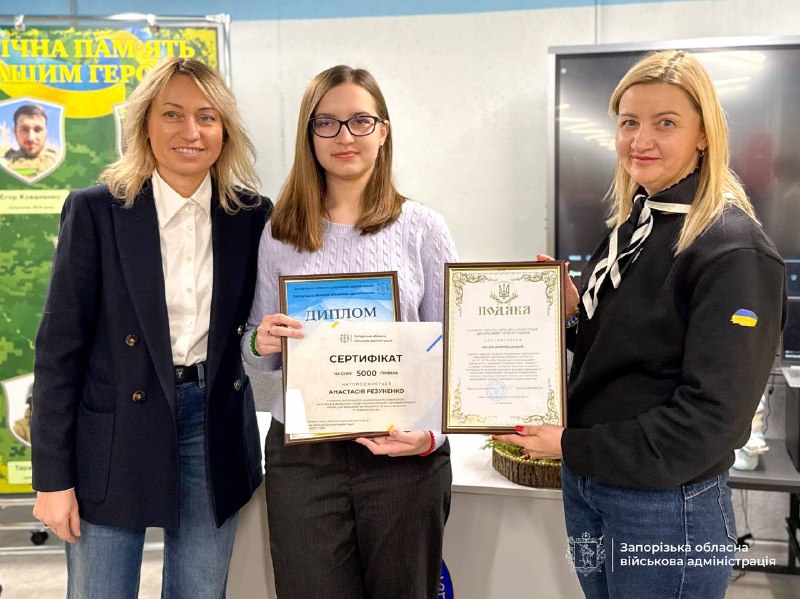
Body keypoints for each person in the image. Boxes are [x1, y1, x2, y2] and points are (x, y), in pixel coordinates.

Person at [496, 50, 786, 598]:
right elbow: (627, 353)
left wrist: (570, 447)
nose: (640, 139)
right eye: (629, 122)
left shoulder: (732, 251)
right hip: (592, 487)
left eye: (665, 123)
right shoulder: (635, 225)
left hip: (665, 507)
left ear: (705, 135)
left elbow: (711, 422)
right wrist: (572, 315)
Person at [30, 57, 271, 598]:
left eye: (207, 117)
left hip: (213, 426)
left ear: (225, 130)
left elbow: (259, 328)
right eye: (172, 114)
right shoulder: (97, 211)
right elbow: (59, 353)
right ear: (144, 125)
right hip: (114, 430)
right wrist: (52, 478)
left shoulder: (252, 216)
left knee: (200, 592)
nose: (191, 132)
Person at [243, 65, 457, 599]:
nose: (345, 136)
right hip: (303, 459)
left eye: (361, 121)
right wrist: (260, 341)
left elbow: (454, 352)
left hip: (402, 453)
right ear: (309, 135)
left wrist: (432, 436)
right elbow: (259, 350)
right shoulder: (279, 232)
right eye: (327, 123)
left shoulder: (423, 228)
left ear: (383, 131)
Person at [2, 104, 59, 178]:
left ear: (45, 132)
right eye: (24, 130)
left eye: (38, 130)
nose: (31, 138)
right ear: (15, 131)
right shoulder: (4, 165)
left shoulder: (58, 163)